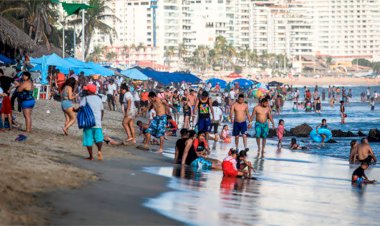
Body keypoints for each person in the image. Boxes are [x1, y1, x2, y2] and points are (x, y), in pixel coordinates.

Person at [80, 84, 104, 160]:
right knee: (99, 138)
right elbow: (102, 110)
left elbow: (81, 108)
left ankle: (91, 156)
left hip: (88, 122)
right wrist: (100, 119)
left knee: (88, 139)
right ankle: (99, 150)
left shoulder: (86, 98)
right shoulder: (99, 99)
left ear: (89, 91)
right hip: (98, 122)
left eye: (87, 90)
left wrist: (74, 110)